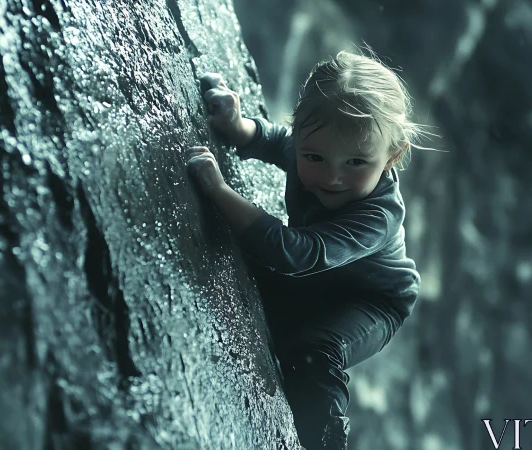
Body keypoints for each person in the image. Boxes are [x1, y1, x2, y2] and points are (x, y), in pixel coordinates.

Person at [185, 48, 434, 449]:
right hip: (317, 278)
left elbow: (295, 253)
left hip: (371, 301)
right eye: (314, 156)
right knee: (257, 286)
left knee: (313, 351)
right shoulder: (311, 149)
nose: (332, 176)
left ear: (393, 156)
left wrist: (219, 191)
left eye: (356, 163)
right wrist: (237, 126)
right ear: (300, 131)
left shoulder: (378, 216)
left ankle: (326, 442)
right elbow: (278, 142)